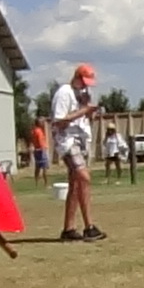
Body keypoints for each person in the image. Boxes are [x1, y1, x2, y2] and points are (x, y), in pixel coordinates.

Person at [50, 64, 106, 241]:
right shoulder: (64, 92)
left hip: (81, 141)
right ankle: (89, 226)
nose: (86, 86)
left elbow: (85, 118)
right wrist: (83, 110)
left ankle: (69, 228)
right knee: (84, 177)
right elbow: (59, 121)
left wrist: (89, 111)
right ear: (76, 77)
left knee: (75, 184)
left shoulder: (81, 95)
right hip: (67, 141)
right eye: (84, 82)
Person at [30, 120, 50, 185]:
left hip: (36, 150)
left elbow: (33, 141)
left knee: (37, 167)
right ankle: (46, 184)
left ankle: (36, 183)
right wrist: (42, 148)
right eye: (42, 122)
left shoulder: (33, 131)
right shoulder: (39, 131)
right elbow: (40, 141)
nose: (43, 123)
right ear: (39, 123)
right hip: (41, 151)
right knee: (44, 168)